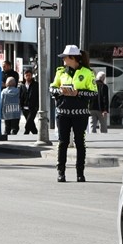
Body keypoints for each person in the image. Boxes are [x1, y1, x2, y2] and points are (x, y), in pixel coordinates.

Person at [50, 45, 97, 182]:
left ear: (73, 58)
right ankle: (61, 172)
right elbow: (52, 88)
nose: (63, 59)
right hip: (63, 112)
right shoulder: (60, 72)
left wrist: (78, 93)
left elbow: (94, 92)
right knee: (62, 142)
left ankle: (80, 173)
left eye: (65, 57)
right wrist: (60, 91)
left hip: (80, 113)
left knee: (80, 143)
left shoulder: (88, 73)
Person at [20, 68, 39, 135]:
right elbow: (21, 96)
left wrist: (37, 105)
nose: (28, 77)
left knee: (29, 121)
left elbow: (38, 95)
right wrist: (21, 105)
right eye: (26, 75)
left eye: (29, 75)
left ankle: (26, 132)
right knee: (31, 122)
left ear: (32, 76)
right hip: (24, 107)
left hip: (33, 107)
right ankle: (35, 132)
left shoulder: (36, 84)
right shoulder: (22, 85)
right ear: (24, 76)